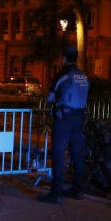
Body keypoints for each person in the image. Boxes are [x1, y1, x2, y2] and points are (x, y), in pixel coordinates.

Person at [38, 46, 89, 204]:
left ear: (64, 58)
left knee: (59, 155)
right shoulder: (83, 76)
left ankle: (56, 193)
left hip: (64, 118)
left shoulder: (63, 75)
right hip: (79, 118)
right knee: (77, 155)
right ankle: (78, 190)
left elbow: (50, 97)